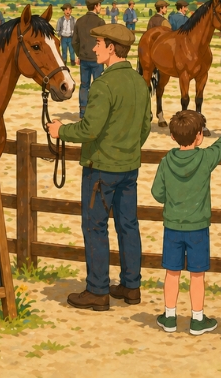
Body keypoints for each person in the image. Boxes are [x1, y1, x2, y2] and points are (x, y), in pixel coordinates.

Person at [47, 24, 151, 312]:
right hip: (129, 168)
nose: (94, 48)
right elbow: (144, 127)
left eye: (99, 43)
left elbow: (89, 130)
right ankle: (131, 286)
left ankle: (97, 290)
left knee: (95, 227)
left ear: (111, 49)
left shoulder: (103, 85)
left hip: (101, 170)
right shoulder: (140, 83)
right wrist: (128, 148)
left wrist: (60, 131)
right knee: (128, 226)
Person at [152, 111, 221, 335]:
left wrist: (171, 199)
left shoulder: (166, 161)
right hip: (198, 227)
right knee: (197, 275)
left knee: (172, 273)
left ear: (172, 136)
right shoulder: (204, 158)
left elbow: (157, 192)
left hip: (172, 225)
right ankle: (197, 318)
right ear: (199, 136)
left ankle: (170, 315)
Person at [74, 0, 106, 118]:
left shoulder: (79, 21)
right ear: (96, 6)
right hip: (97, 59)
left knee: (84, 85)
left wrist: (79, 54)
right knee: (98, 86)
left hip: (84, 59)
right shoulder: (100, 22)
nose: (100, 7)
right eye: (100, 5)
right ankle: (97, 111)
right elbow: (104, 42)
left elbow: (74, 42)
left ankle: (82, 112)